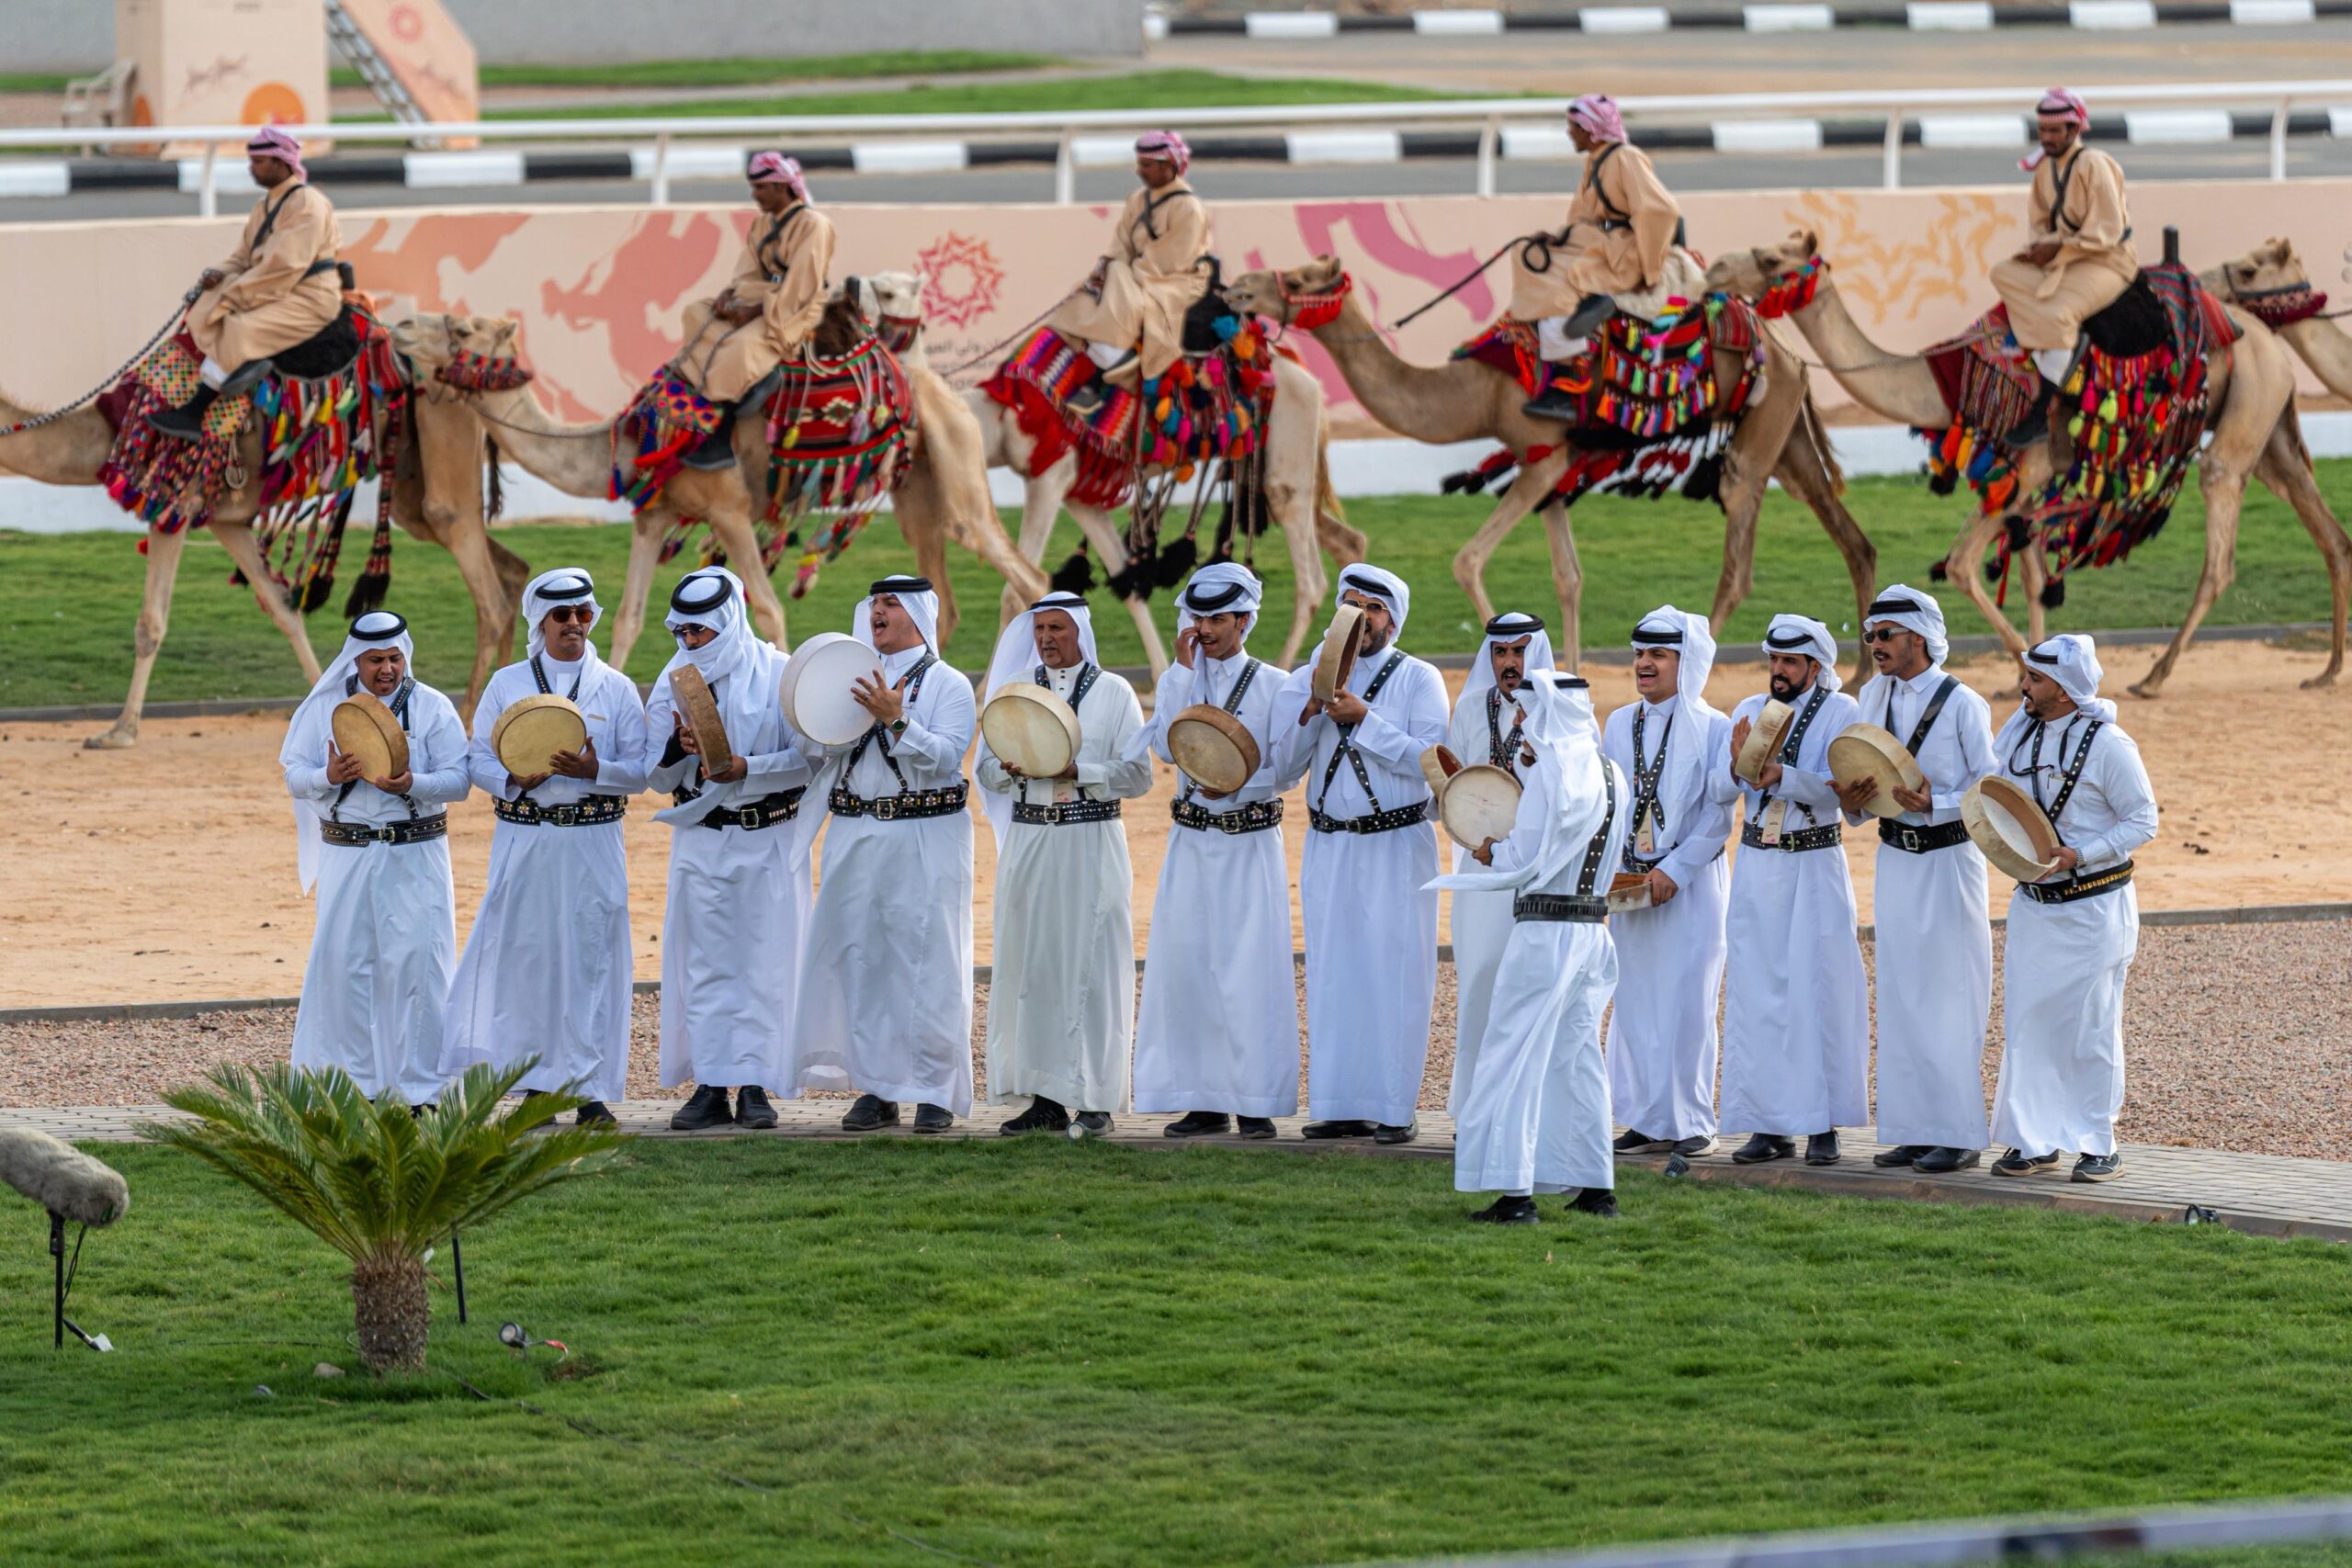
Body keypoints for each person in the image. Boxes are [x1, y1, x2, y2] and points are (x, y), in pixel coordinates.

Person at [440, 570, 650, 1125]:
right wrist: (514, 779)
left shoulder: (617, 688)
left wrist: (595, 769)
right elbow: (477, 758)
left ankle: (586, 1088)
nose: (575, 624)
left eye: (583, 613)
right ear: (541, 622)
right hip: (526, 836)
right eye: (563, 616)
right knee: (529, 961)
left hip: (593, 840)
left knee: (590, 959)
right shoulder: (508, 684)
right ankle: (535, 1089)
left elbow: (642, 771)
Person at [1434, 671, 1629, 1224]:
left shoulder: (1553, 774)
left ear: (1548, 715)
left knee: (1511, 1057)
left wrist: (1491, 850)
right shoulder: (1611, 772)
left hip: (1545, 932)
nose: (1519, 722)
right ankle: (1597, 1188)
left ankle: (1515, 1195)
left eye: (1526, 713)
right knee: (1577, 1060)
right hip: (1592, 934)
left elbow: (1524, 860)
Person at [791, 577, 977, 1134]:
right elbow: (813, 746)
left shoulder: (949, 685)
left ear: (917, 616)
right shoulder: (845, 678)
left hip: (927, 835)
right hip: (855, 832)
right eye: (874, 603)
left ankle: (936, 1091)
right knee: (864, 959)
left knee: (930, 962)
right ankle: (877, 1089)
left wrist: (897, 718)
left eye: (891, 604)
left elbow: (946, 759)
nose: (878, 611)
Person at [1275, 565, 1451, 1145]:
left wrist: (1364, 720)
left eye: (1371, 608)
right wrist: (1308, 713)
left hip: (1396, 844)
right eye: (1349, 603)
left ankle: (1396, 1109)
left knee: (1394, 971)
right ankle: (1340, 1103)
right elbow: (1283, 769)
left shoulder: (1418, 678)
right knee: (1334, 970)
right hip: (1329, 844)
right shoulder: (1308, 674)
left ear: (1391, 621)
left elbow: (1432, 761)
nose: (1358, 616)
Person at [1133, 563, 1306, 1139]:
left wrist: (1238, 782)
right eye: (1198, 617)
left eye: (1217, 619)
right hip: (1190, 840)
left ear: (1245, 620)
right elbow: (1163, 746)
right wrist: (1182, 679)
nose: (1204, 629)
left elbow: (1287, 769)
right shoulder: (1179, 678)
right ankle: (1202, 1099)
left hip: (1250, 841)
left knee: (1250, 968)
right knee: (1189, 966)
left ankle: (1254, 1099)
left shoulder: (1276, 684)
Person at [975, 592, 1153, 1137]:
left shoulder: (1115, 692)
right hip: (1030, 839)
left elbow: (1138, 775)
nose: (1047, 638)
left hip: (1091, 838)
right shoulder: (1015, 697)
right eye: (1040, 629)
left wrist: (1079, 770)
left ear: (1079, 632)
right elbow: (984, 771)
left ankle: (1095, 1100)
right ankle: (1046, 1099)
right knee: (1033, 965)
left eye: (1058, 628)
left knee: (1094, 965)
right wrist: (1008, 770)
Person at [645, 568, 814, 1133]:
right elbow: (654, 772)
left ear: (729, 623)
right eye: (684, 633)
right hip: (701, 838)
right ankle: (712, 1085)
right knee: (707, 963)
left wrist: (749, 768)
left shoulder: (780, 673)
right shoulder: (675, 678)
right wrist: (679, 744)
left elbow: (810, 758)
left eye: (701, 633)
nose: (690, 644)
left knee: (765, 961)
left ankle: (758, 1087)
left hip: (769, 837)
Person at [280, 612, 469, 1109]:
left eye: (394, 658)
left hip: (417, 852)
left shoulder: (431, 707)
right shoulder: (325, 708)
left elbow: (460, 781)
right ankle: (351, 1088)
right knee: (345, 969)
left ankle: (422, 1092)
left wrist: (414, 785)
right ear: (355, 660)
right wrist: (328, 775)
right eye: (375, 660)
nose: (387, 669)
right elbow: (294, 776)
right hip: (347, 854)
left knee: (421, 970)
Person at [1987, 635, 2157, 1183]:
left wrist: (2081, 854)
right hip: (2034, 906)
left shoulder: (2111, 745)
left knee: (2091, 1027)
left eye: (2034, 680)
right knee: (2028, 1024)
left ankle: (2097, 1141)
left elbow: (2143, 820)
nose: (2023, 687)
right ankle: (2032, 1141)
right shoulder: (2019, 734)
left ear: (2063, 689)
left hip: (2096, 908)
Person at [1842, 587, 1998, 1176]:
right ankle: (1911, 1130)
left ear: (1919, 638)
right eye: (1870, 636)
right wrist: (1854, 800)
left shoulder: (1964, 704)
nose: (1875, 646)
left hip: (1949, 860)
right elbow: (1860, 780)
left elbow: (1992, 793)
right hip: (1894, 858)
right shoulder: (1870, 695)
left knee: (1951, 991)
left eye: (1885, 635)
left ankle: (1957, 1133)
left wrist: (1938, 803)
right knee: (1903, 991)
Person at [1717, 615, 1869, 1168]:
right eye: (1773, 661)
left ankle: (1821, 1123)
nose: (1778, 671)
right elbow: (1721, 787)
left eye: (1790, 663)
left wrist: (1782, 776)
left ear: (1815, 666)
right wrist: (1737, 765)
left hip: (1814, 864)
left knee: (1819, 990)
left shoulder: (1843, 713)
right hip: (1757, 862)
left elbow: (1842, 797)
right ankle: (1768, 1122)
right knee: (1758, 991)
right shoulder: (1747, 711)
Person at [1602, 606, 1736, 1159]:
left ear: (1688, 662)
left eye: (1658, 654)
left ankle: (1690, 1120)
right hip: (1631, 882)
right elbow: (1608, 802)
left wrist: (1672, 871)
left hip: (1691, 883)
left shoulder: (1714, 726)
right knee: (1635, 999)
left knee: (1687, 1002)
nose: (1644, 664)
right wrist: (1615, 868)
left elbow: (1718, 817)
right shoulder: (1616, 723)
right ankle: (1644, 1118)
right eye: (1640, 653)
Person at [152, 126, 343, 439]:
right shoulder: (264, 206)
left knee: (239, 327)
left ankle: (195, 411)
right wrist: (216, 277)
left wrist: (233, 296)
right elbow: (243, 258)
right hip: (275, 289)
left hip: (309, 297)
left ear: (281, 164)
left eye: (258, 162)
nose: (251, 168)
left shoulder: (307, 204)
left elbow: (284, 267)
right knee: (203, 309)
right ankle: (222, 373)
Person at [1443, 611, 1555, 1119]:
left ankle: (1529, 1111)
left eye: (1519, 650)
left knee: (1530, 987)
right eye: (1501, 652)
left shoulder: (1561, 713)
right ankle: (1474, 1108)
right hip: (1480, 873)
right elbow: (1455, 791)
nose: (1509, 662)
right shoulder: (1468, 711)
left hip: (1536, 872)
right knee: (1480, 981)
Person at [1517, 94, 1681, 420]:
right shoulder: (1597, 161)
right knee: (1529, 257)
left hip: (1622, 250)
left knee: (1556, 292)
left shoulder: (1625, 158)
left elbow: (1661, 210)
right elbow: (1584, 217)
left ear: (1592, 131)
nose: (1569, 133)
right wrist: (1560, 238)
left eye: (1574, 127)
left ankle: (1564, 386)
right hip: (1599, 241)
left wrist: (1649, 270)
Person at [1988, 88, 2136, 447]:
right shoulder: (2044, 170)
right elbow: (2039, 223)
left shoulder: (2094, 164)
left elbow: (2107, 231)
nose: (2047, 138)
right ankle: (2051, 351)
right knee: (2003, 272)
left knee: (2059, 312)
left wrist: (2058, 246)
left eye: (2055, 131)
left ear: (2075, 130)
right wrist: (2039, 249)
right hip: (2064, 259)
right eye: (2043, 131)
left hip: (2107, 262)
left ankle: (2040, 410)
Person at [673, 152, 836, 469]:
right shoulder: (763, 224)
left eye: (761, 187)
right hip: (764, 296)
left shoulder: (815, 226)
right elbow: (748, 272)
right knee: (696, 313)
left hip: (796, 307)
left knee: (740, 346)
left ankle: (718, 436)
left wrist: (753, 312)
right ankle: (718, 388)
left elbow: (802, 286)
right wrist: (730, 296)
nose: (755, 195)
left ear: (781, 187)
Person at [1046, 130, 1213, 402]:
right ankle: (1102, 353)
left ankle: (1114, 353)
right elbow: (1121, 243)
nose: (1139, 171)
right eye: (1139, 164)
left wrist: (1122, 271)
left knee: (1119, 276)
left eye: (1145, 165)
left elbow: (1173, 258)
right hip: (1138, 273)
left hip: (1176, 281)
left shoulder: (1189, 208)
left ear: (1167, 166)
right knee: (1084, 292)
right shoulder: (1137, 199)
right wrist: (1106, 266)